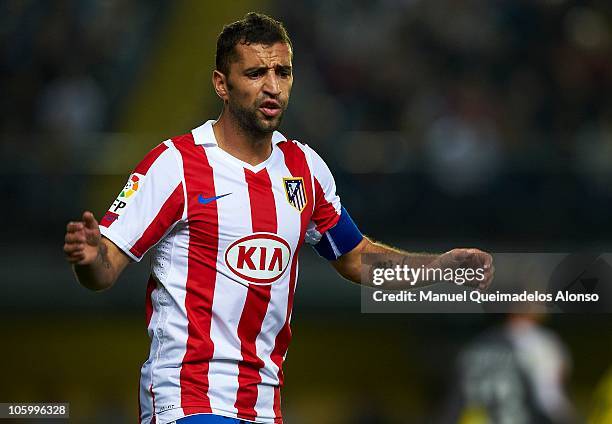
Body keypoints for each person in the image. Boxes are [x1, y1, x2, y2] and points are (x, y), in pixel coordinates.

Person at [63, 13, 493, 424]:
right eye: (255, 74)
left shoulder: (303, 168)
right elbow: (105, 270)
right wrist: (89, 258)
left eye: (282, 73)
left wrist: (437, 269)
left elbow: (355, 257)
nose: (272, 87)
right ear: (222, 84)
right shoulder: (175, 164)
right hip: (187, 398)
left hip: (264, 406)